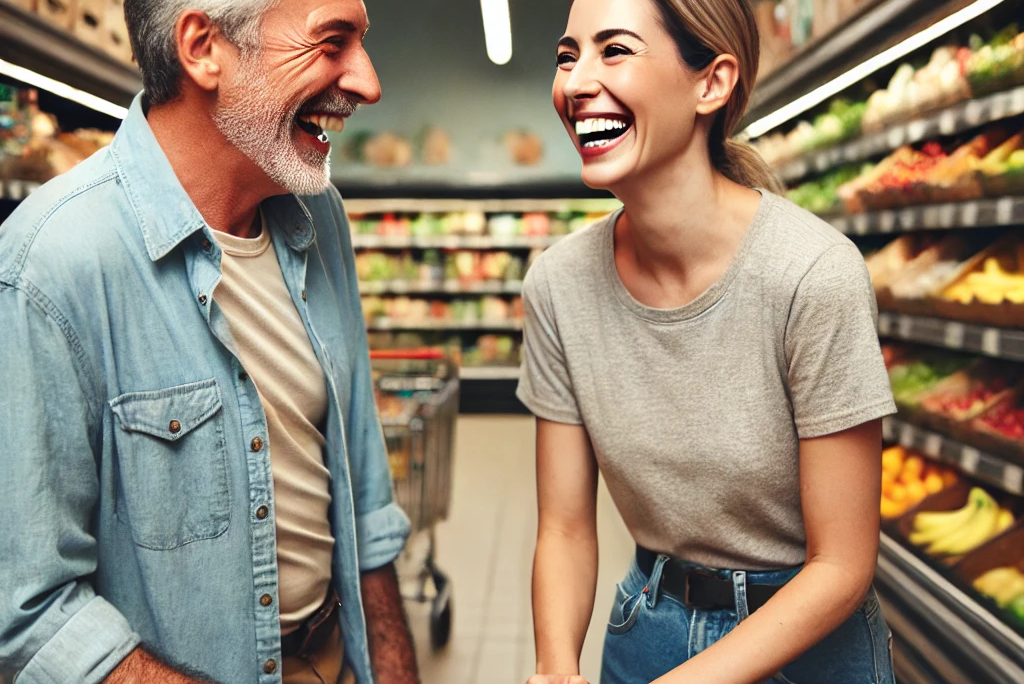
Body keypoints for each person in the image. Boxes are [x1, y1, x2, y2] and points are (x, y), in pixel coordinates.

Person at [0, 1, 420, 683]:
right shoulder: (49, 268)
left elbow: (363, 489)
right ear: (204, 48)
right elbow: (34, 612)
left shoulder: (320, 217)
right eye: (332, 41)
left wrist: (394, 668)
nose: (368, 82)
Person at [519, 1, 897, 683]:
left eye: (615, 50)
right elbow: (567, 528)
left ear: (712, 83)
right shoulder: (559, 286)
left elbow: (842, 565)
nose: (575, 82)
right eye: (567, 55)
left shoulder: (811, 274)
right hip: (647, 630)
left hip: (808, 645)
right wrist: (554, 667)